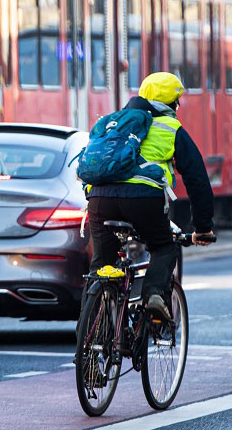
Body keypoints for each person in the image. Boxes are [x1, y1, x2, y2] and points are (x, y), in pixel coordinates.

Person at [86, 72, 215, 320]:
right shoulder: (171, 128)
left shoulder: (112, 122)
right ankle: (154, 294)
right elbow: (197, 179)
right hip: (143, 199)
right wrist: (202, 227)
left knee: (101, 266)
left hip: (100, 199)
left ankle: (88, 334)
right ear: (171, 105)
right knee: (164, 246)